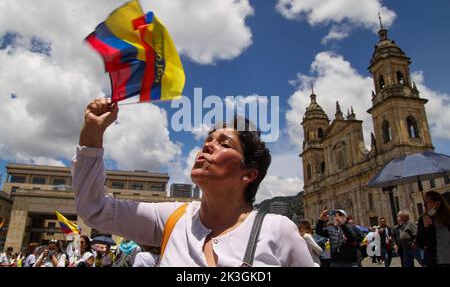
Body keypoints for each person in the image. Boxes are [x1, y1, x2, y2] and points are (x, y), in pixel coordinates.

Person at [72, 98, 315, 267]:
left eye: (224, 144)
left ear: (248, 174)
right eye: (208, 140)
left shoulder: (277, 230)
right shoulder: (173, 217)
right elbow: (95, 209)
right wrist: (92, 133)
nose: (208, 145)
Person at [417, 190, 450, 267]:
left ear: (437, 202)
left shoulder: (448, 216)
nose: (424, 205)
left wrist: (434, 210)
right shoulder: (424, 219)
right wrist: (425, 227)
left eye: (427, 202)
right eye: (424, 202)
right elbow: (420, 243)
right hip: (435, 259)